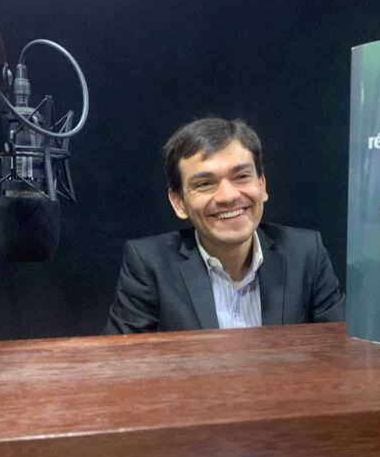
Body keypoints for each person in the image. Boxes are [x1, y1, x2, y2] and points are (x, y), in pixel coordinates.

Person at [103, 117, 344, 334]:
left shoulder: (306, 253)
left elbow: (340, 350)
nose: (228, 196)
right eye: (205, 184)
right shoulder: (150, 265)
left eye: (242, 177)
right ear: (179, 203)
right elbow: (120, 360)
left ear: (262, 185)